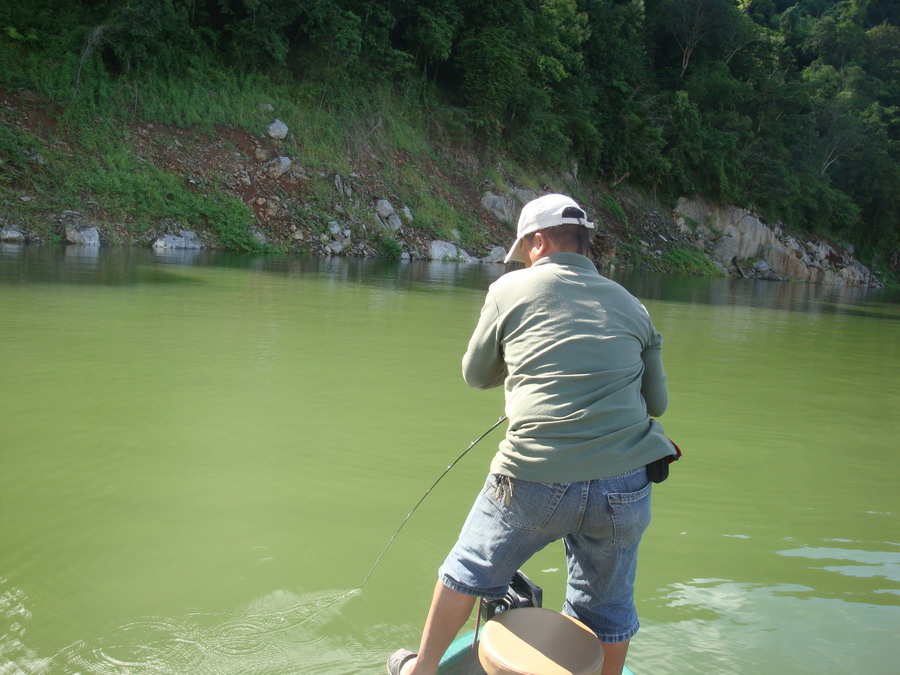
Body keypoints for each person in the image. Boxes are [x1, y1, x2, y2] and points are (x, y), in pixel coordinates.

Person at [387, 194, 677, 675]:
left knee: (469, 568)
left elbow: (476, 375)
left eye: (522, 250)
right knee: (607, 608)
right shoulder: (633, 305)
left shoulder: (509, 290)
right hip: (625, 484)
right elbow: (658, 403)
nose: (521, 260)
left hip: (535, 474)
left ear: (538, 241)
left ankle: (421, 671)